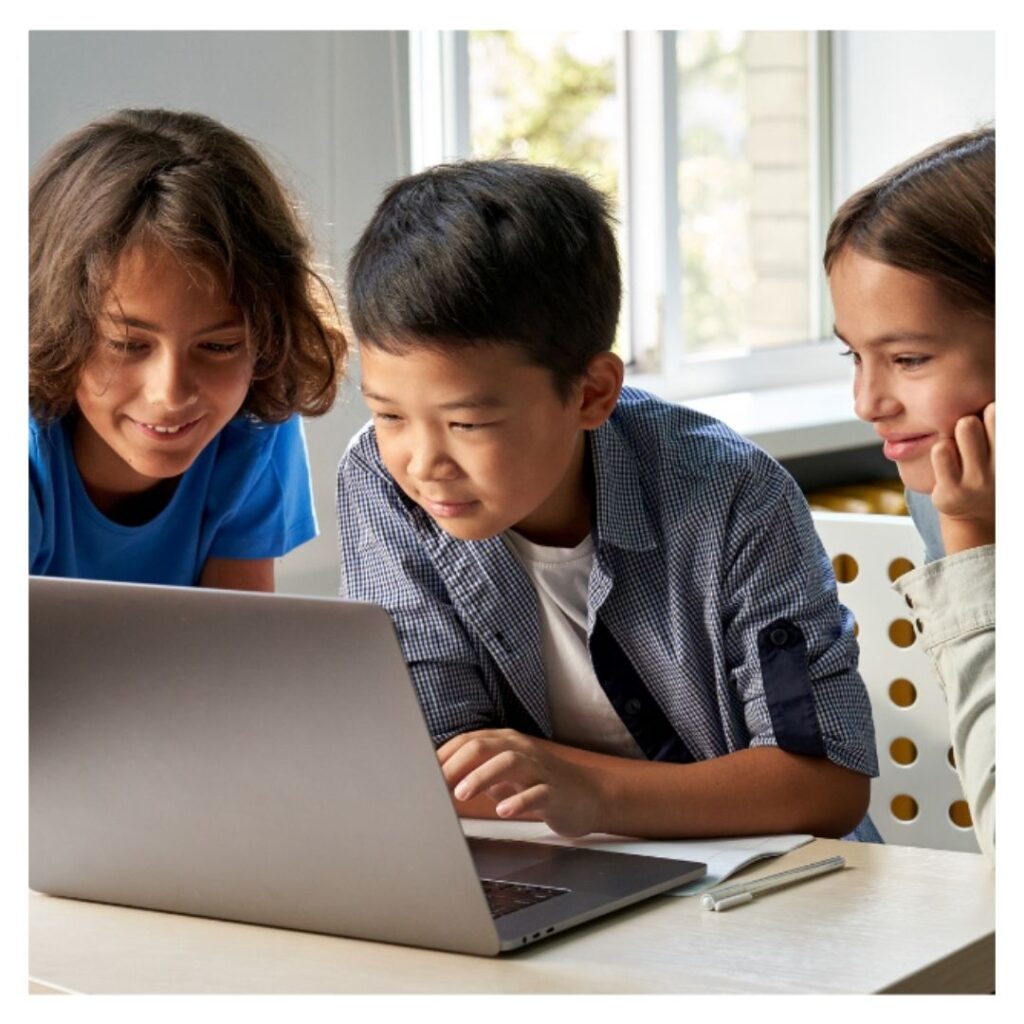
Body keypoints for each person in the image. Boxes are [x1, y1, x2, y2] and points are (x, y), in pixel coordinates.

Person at [338, 159, 878, 840]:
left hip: (768, 885)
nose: (421, 462)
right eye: (389, 415)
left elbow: (825, 785)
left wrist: (590, 791)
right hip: (548, 871)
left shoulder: (731, 494)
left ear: (593, 393)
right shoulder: (379, 480)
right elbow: (433, 768)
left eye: (467, 424)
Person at [30, 108, 347, 590]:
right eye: (127, 343)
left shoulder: (255, 433)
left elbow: (230, 649)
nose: (171, 393)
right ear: (55, 327)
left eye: (219, 346)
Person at [825, 125, 994, 858]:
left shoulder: (966, 506)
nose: (867, 401)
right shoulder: (951, 491)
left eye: (909, 358)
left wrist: (975, 543)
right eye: (854, 356)